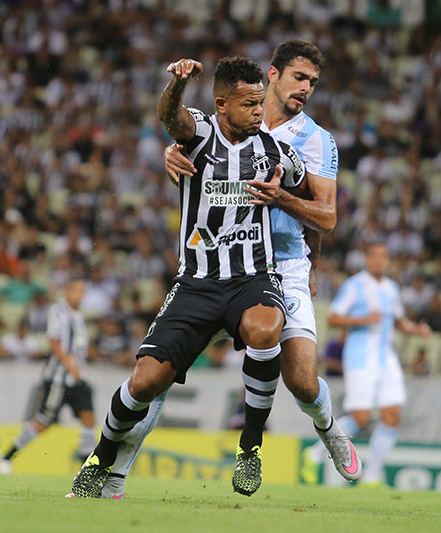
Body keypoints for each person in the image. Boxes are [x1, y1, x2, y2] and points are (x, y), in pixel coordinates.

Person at [102, 41, 360, 500]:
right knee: (155, 379)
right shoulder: (232, 115)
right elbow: (189, 138)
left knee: (300, 379)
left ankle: (328, 426)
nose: (306, 89)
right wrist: (171, 155)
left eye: (314, 83)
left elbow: (326, 215)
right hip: (217, 265)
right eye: (300, 78)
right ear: (273, 75)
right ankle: (115, 473)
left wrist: (289, 215)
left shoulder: (317, 141)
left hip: (283, 264)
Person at [70, 55, 305, 498]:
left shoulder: (275, 151)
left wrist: (290, 206)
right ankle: (101, 458)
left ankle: (250, 450)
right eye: (250, 104)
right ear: (221, 104)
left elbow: (307, 192)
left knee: (265, 327)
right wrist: (177, 84)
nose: (259, 111)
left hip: (250, 277)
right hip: (196, 282)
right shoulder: (199, 132)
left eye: (261, 103)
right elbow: (170, 118)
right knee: (145, 382)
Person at [302, 243, 430, 486]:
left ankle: (372, 475)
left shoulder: (391, 288)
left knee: (392, 415)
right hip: (361, 357)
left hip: (387, 357)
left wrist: (415, 329)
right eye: (375, 257)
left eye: (384, 257)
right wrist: (363, 319)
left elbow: (398, 321)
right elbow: (333, 317)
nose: (379, 261)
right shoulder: (355, 285)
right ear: (368, 260)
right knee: (360, 418)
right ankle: (314, 454)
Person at [0, 278, 93, 474]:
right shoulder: (58, 311)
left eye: (83, 291)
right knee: (43, 422)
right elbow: (54, 341)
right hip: (59, 380)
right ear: (67, 291)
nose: (80, 295)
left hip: (76, 379)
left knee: (88, 418)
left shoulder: (79, 316)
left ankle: (86, 468)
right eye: (77, 290)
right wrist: (69, 363)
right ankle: (5, 457)